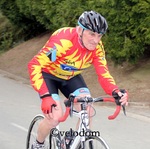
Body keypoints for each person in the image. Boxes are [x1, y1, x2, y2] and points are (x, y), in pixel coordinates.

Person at [28, 10, 128, 149]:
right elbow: (34, 65)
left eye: (99, 35)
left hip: (70, 76)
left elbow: (103, 73)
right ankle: (38, 144)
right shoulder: (63, 41)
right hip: (49, 75)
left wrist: (115, 91)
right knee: (55, 117)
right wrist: (45, 95)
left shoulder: (97, 48)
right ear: (79, 30)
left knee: (87, 107)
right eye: (92, 34)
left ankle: (73, 142)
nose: (96, 40)